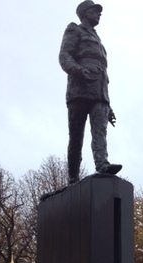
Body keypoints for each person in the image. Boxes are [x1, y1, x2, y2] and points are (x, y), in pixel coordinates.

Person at [59, 0, 122, 183]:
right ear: (85, 13)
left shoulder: (99, 41)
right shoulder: (75, 30)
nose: (99, 14)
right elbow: (64, 55)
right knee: (76, 136)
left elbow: (104, 70)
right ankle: (72, 177)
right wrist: (77, 70)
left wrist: (108, 104)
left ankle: (102, 164)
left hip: (100, 90)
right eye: (95, 11)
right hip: (79, 87)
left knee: (100, 131)